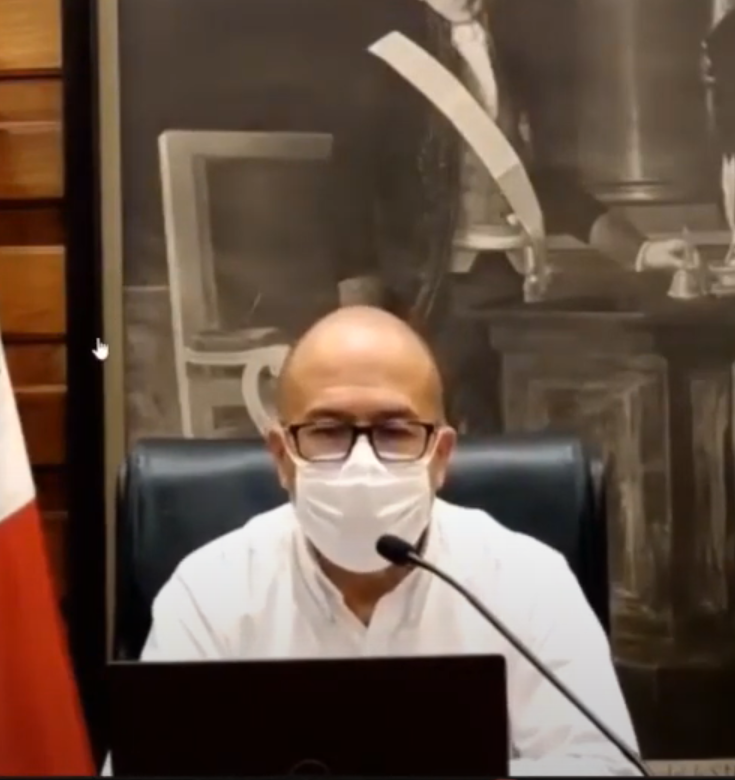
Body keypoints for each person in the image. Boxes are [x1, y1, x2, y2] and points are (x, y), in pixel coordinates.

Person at [137, 306, 643, 776]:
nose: (362, 465)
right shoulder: (209, 591)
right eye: (327, 430)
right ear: (282, 456)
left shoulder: (528, 579)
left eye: (395, 431)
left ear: (440, 456)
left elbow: (606, 768)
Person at [332, 0, 692, 433]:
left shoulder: (513, 64)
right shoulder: (386, 70)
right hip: (430, 291)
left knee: (509, 427)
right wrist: (361, 318)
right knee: (436, 432)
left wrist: (640, 250)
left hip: (512, 288)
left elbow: (543, 183)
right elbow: (349, 197)